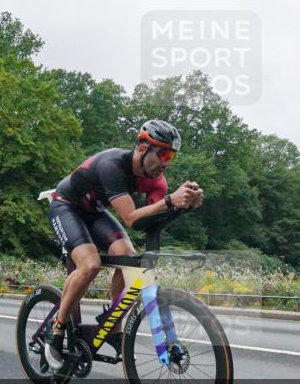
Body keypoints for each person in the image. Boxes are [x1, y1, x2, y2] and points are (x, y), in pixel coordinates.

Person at [45, 120, 203, 369]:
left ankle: (112, 327)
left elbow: (149, 222)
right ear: (142, 149)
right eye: (162, 153)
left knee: (131, 260)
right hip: (66, 206)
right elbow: (130, 218)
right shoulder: (113, 165)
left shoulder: (157, 182)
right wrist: (171, 201)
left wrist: (182, 207)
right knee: (90, 265)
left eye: (170, 155)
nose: (166, 161)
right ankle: (57, 330)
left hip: (94, 212)